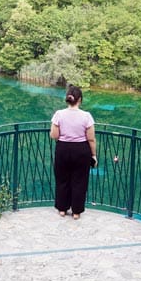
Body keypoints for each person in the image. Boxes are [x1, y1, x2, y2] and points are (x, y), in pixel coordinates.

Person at [50, 84, 96, 219]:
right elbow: (91, 139)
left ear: (68, 99)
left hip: (63, 149)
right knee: (79, 181)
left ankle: (62, 209)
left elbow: (54, 135)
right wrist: (93, 155)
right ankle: (76, 212)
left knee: (62, 179)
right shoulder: (86, 116)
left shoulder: (59, 114)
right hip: (81, 150)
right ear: (80, 100)